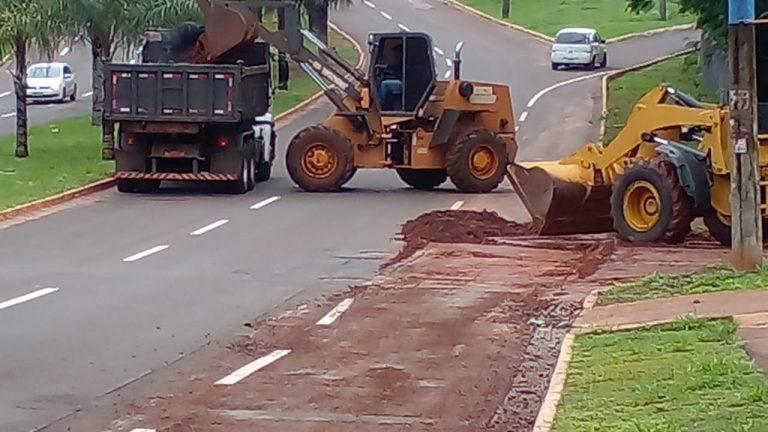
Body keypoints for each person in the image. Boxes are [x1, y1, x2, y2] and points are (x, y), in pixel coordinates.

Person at [379, 41, 404, 111]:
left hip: (404, 84)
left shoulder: (401, 61)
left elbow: (393, 67)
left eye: (396, 53)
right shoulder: (400, 62)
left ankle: (380, 106)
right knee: (385, 80)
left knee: (384, 85)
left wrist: (384, 67)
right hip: (402, 80)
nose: (395, 55)